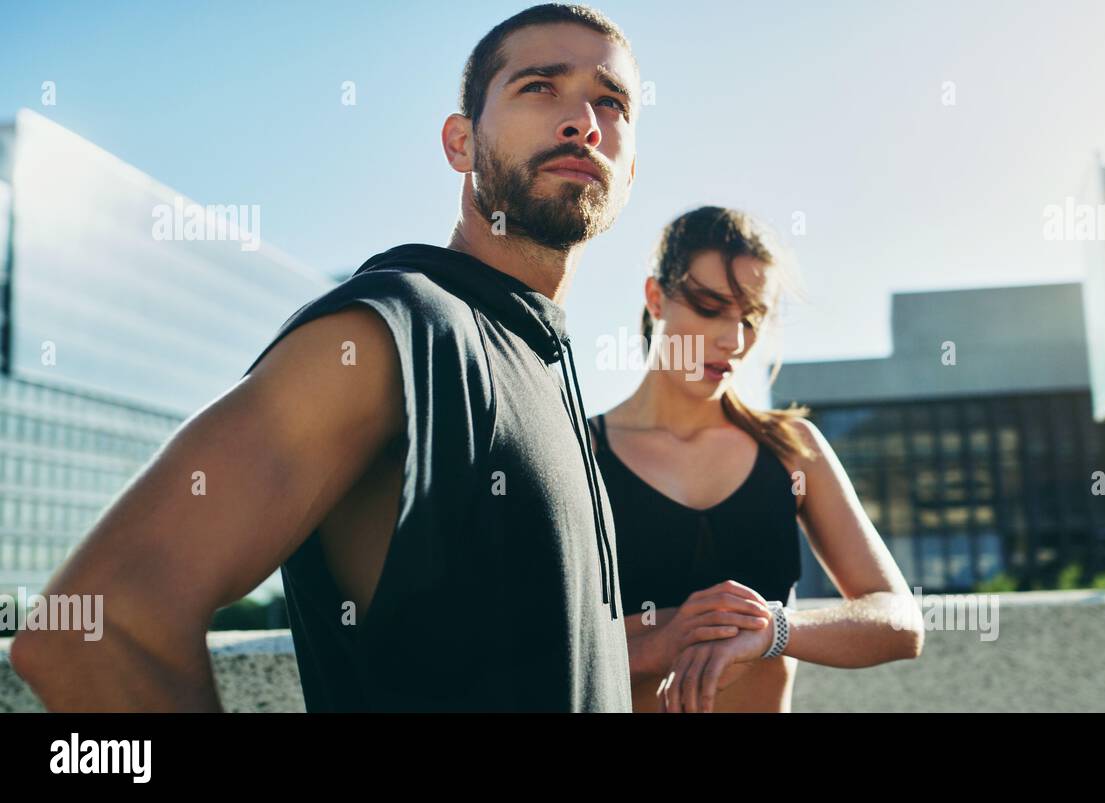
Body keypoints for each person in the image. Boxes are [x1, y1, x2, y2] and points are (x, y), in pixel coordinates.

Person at [13, 3, 645, 712]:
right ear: (460, 142)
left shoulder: (547, 359)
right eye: (539, 86)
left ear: (630, 165)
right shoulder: (401, 325)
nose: (583, 121)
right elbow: (96, 626)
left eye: (611, 101)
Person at [588, 206, 926, 713]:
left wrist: (774, 628)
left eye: (750, 318)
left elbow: (900, 622)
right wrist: (662, 641)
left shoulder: (792, 449)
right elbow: (525, 647)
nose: (734, 340)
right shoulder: (581, 451)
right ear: (655, 297)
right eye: (709, 307)